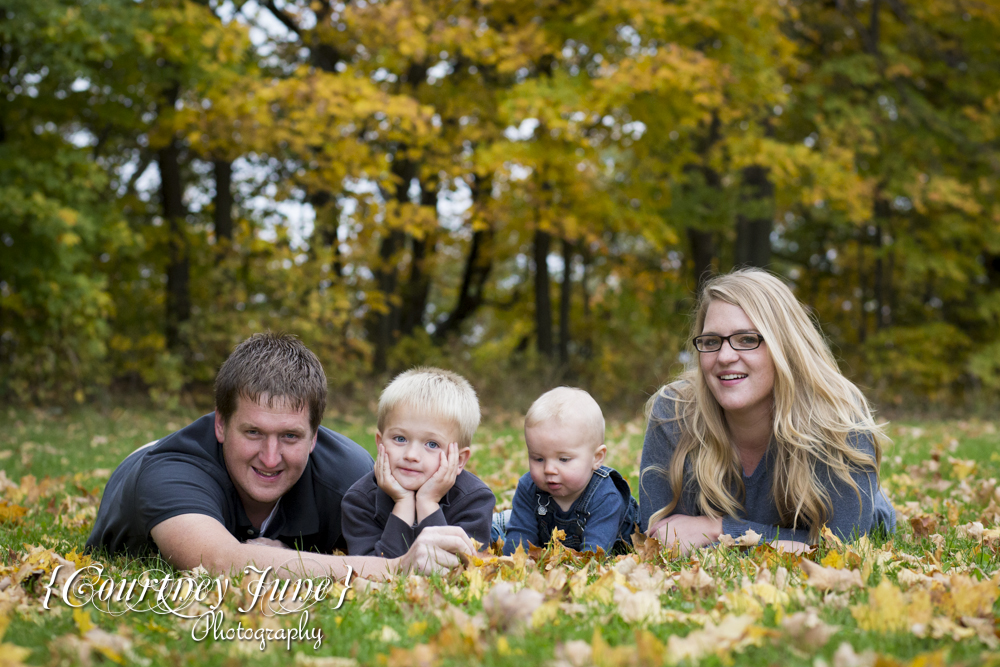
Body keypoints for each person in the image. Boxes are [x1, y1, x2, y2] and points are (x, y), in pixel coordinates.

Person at [86, 333, 474, 578]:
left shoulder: (349, 474)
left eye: (290, 436)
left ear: (314, 437)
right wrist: (392, 570)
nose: (270, 458)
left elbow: (418, 540)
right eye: (253, 432)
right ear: (221, 424)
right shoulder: (171, 473)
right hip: (142, 463)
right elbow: (219, 562)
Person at [640, 269, 896, 554]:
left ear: (784, 346)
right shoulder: (674, 412)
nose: (724, 357)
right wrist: (789, 542)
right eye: (711, 342)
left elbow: (842, 547)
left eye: (747, 339)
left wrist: (718, 529)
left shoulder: (839, 418)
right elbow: (660, 537)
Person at [340, 367, 495, 556]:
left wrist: (428, 502)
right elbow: (374, 569)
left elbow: (458, 569)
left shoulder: (475, 500)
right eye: (400, 439)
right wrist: (403, 504)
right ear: (380, 443)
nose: (411, 455)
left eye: (431, 444)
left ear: (459, 460)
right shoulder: (359, 500)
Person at [497, 387, 639, 556]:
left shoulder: (606, 496)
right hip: (555, 547)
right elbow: (518, 543)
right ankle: (500, 522)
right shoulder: (528, 487)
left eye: (563, 459)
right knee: (497, 531)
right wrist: (515, 564)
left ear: (597, 458)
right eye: (538, 459)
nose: (549, 470)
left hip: (610, 542)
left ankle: (504, 520)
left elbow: (594, 556)